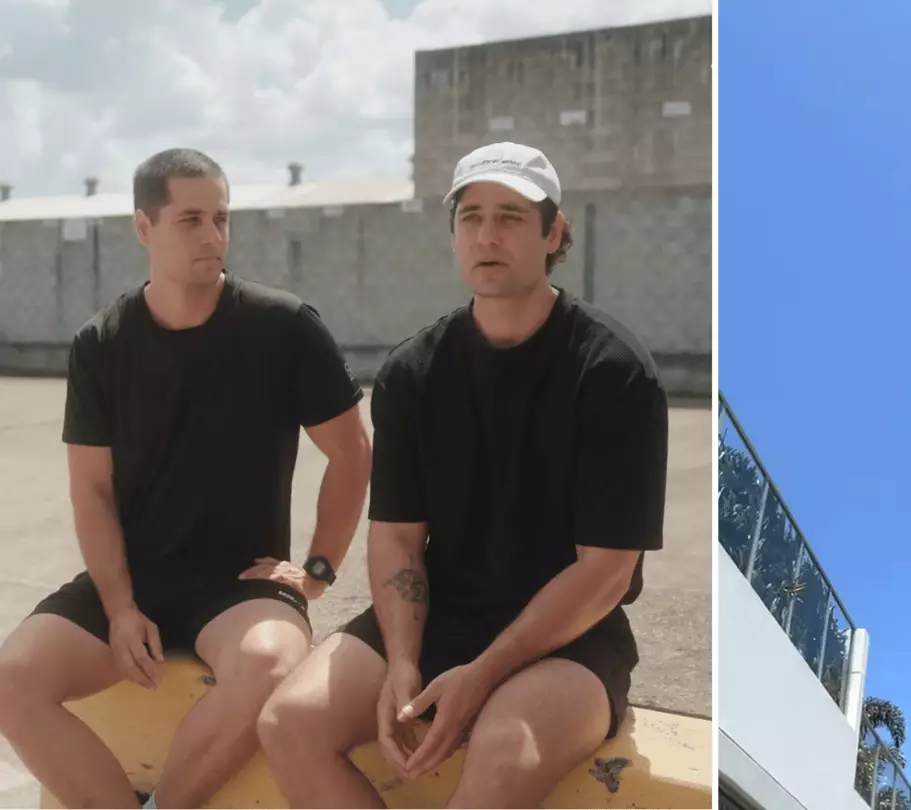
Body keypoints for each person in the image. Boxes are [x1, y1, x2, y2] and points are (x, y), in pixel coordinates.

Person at [257, 141, 669, 809]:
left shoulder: (613, 373)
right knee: (290, 722)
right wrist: (402, 663)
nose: (487, 234)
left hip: (571, 637)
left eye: (510, 216)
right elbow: (394, 538)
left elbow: (605, 573)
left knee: (505, 749)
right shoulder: (413, 372)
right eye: (470, 215)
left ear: (553, 231)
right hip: (442, 614)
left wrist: (481, 676)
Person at [0, 148, 372, 809]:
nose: (212, 236)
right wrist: (118, 607)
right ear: (144, 227)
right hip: (133, 578)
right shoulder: (102, 342)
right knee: (12, 678)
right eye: (191, 219)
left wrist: (317, 569)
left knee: (271, 666)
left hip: (240, 584)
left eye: (221, 218)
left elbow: (352, 451)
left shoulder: (282, 326)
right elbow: (91, 488)